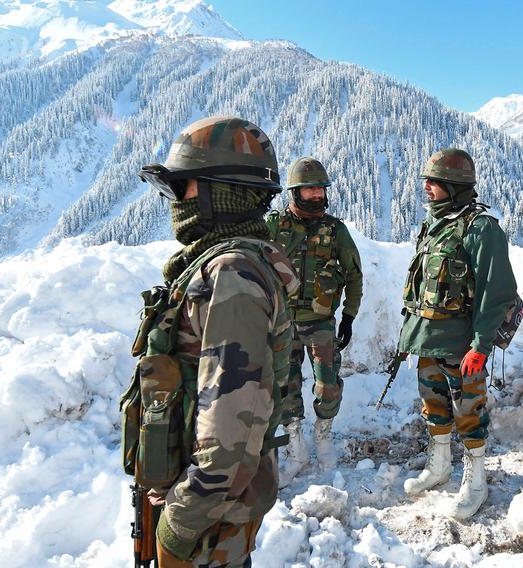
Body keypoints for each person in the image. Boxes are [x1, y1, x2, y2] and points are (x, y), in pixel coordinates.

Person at [130, 116, 298, 567]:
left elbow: (233, 432)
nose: (172, 202)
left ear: (217, 193)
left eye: (179, 188)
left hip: (209, 513)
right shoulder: (218, 266)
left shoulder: (233, 275)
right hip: (208, 503)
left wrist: (181, 523)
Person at [397, 147, 518, 520]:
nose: (427, 188)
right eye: (427, 181)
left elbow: (495, 293)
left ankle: (476, 479)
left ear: (454, 186)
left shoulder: (481, 229)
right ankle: (440, 465)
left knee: (469, 412)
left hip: (463, 345)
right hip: (429, 340)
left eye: (435, 182)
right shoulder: (435, 224)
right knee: (433, 405)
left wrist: (480, 347)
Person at [264, 157, 363, 484]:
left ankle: (323, 436)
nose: (318, 194)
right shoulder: (275, 227)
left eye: (321, 188)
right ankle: (296, 446)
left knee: (328, 383)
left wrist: (348, 317)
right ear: (295, 192)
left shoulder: (335, 230)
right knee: (285, 386)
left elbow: (354, 276)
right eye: (310, 189)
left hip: (320, 322)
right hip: (282, 322)